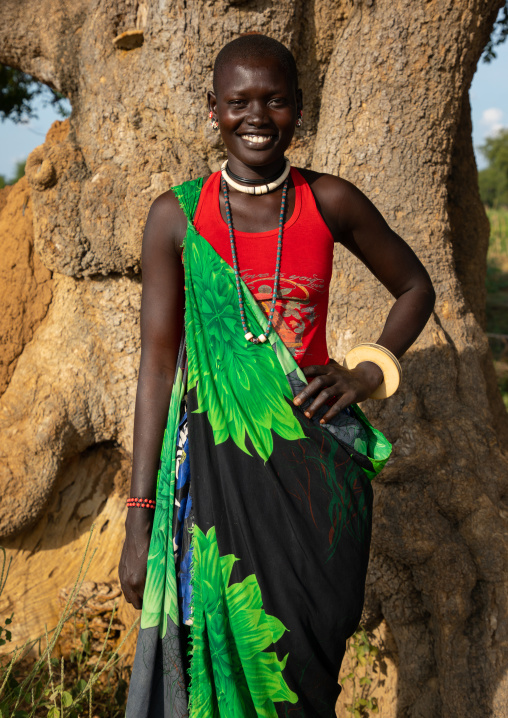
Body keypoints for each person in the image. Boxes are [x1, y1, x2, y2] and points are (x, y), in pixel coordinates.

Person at [120, 34, 435, 717]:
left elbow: (414, 287)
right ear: (213, 110)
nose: (256, 117)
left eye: (275, 100)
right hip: (209, 488)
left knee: (302, 678)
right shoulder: (176, 217)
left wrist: (366, 372)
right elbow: (155, 365)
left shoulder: (331, 200)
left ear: (300, 107)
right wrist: (138, 519)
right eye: (238, 102)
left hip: (315, 482)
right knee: (216, 665)